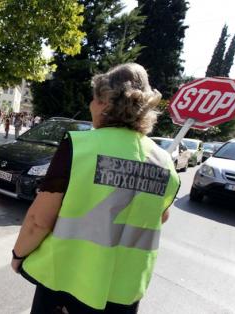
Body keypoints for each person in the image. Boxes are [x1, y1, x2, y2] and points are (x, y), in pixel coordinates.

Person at [11, 63, 181, 313]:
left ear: (104, 102)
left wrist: (19, 255)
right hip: (123, 291)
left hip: (66, 283)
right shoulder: (164, 162)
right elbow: (160, 216)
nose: (91, 105)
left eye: (93, 99)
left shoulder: (79, 147)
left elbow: (39, 220)